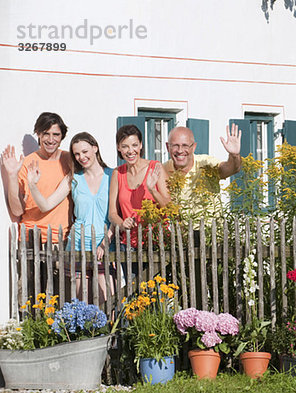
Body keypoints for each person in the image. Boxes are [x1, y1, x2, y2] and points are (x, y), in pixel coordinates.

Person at [27, 132, 115, 304]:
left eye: (85, 151)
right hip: (77, 244)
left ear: (95, 148)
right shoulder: (73, 178)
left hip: (104, 245)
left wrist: (106, 240)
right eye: (77, 154)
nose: (81, 157)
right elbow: (46, 205)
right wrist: (32, 184)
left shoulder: (113, 176)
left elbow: (116, 214)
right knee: (81, 303)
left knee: (108, 301)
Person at [0, 112, 71, 243]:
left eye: (56, 134)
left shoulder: (70, 160)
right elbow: (17, 211)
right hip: (30, 240)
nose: (51, 140)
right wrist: (12, 176)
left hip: (61, 239)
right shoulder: (27, 164)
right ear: (38, 134)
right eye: (46, 134)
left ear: (62, 136)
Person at [109, 124, 170, 249]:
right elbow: (112, 213)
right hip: (128, 246)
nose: (130, 151)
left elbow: (169, 207)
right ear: (118, 148)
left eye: (134, 145)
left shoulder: (155, 168)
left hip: (156, 244)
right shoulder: (117, 173)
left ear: (141, 145)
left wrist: (152, 190)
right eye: (125, 146)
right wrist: (122, 224)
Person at [162, 124, 241, 218]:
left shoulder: (206, 163)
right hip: (180, 232)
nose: (180, 150)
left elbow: (231, 169)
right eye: (175, 145)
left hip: (211, 231)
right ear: (167, 147)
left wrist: (234, 155)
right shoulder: (163, 170)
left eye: (185, 145)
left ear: (194, 147)